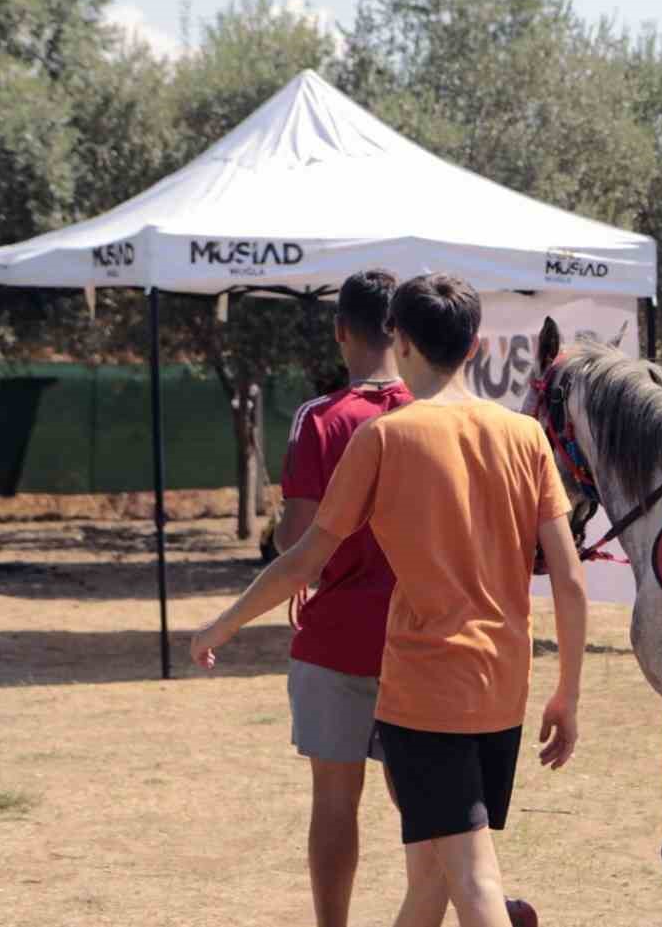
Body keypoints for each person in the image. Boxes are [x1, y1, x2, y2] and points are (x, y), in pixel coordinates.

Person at [192, 273, 587, 927]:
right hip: (502, 687)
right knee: (432, 877)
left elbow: (305, 558)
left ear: (398, 339)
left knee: (471, 877)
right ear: (478, 346)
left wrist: (223, 623)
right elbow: (570, 580)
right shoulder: (526, 436)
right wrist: (567, 692)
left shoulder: (382, 438)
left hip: (426, 689)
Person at [277, 269, 411, 927]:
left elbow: (297, 540)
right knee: (425, 801)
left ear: (341, 331)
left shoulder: (320, 419)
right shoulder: (432, 414)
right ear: (402, 331)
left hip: (335, 636)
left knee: (335, 799)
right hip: (419, 636)